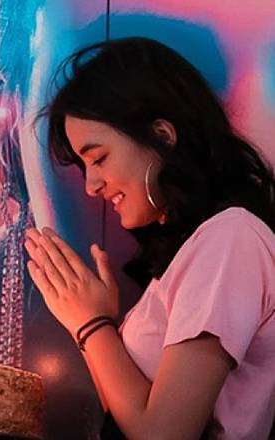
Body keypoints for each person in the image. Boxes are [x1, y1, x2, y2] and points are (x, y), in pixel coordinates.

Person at [24, 36, 275, 439]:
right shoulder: (197, 248)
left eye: (99, 158)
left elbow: (163, 432)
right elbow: (126, 419)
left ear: (162, 136)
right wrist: (94, 325)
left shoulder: (230, 237)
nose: (91, 185)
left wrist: (92, 325)